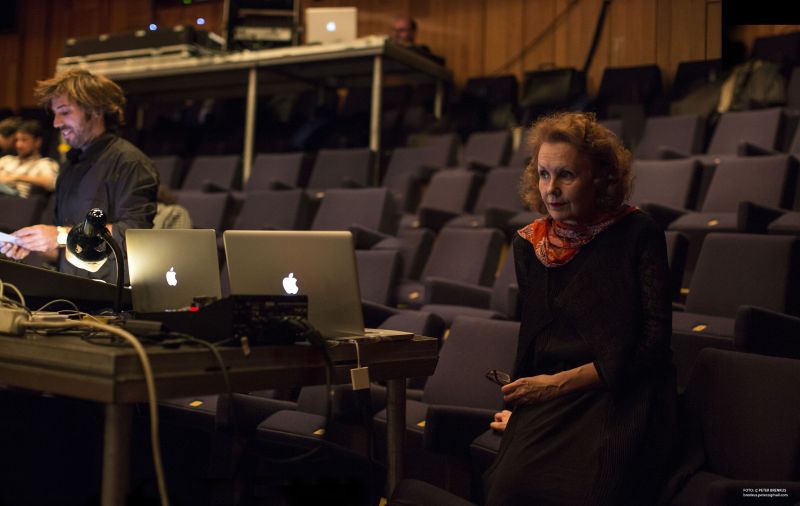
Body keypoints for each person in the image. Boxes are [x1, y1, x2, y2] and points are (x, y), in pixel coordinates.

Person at [483, 112, 676, 505]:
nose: (551, 189)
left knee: (592, 492)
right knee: (504, 489)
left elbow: (653, 347)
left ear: (601, 177)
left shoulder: (639, 233)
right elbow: (538, 343)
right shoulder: (529, 245)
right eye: (543, 174)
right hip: (555, 395)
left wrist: (555, 385)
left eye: (566, 175)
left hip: (621, 394)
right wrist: (522, 411)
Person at [0, 69, 158, 284]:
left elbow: (134, 234)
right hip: (70, 287)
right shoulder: (70, 167)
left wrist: (59, 235)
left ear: (94, 111)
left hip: (111, 295)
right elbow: (66, 250)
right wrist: (34, 244)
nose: (56, 123)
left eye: (64, 112)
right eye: (55, 113)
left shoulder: (130, 162)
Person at [0, 120, 59, 197]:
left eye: (24, 140)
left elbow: (52, 183)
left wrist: (18, 177)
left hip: (18, 202)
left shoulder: (44, 164)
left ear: (37, 142)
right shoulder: (6, 160)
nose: (18, 145)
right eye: (17, 140)